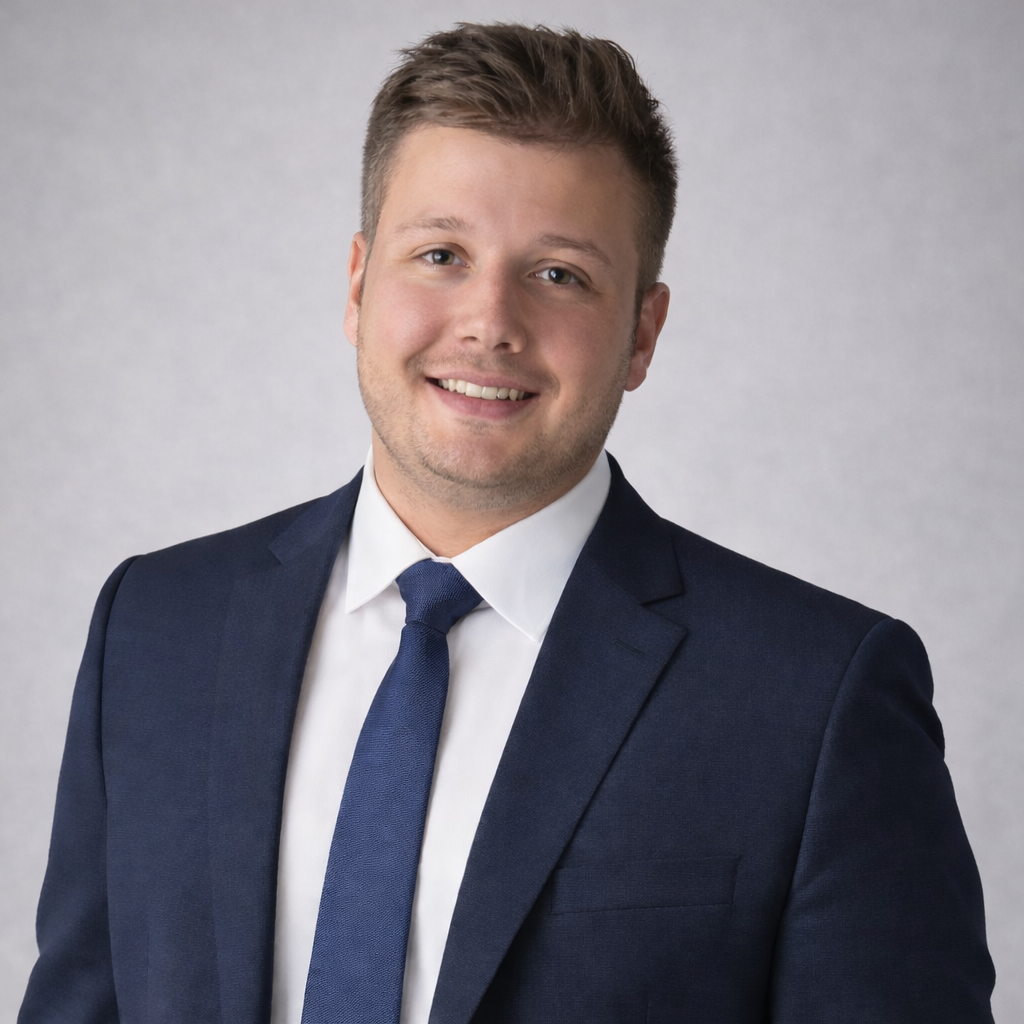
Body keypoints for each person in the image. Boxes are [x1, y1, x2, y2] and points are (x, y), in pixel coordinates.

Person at [20, 22, 994, 1024]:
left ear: (642, 332)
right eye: (440, 254)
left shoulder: (816, 697)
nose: (490, 321)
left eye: (558, 273)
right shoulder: (156, 628)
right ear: (358, 284)